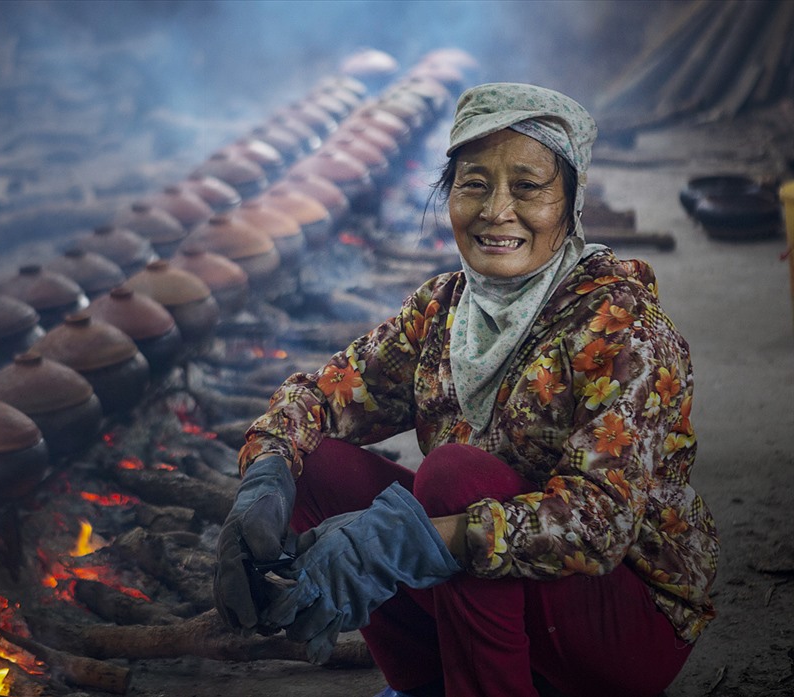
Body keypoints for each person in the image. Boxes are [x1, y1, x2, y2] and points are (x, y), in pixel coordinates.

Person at [214, 83, 719, 697]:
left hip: (617, 623)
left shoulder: (623, 329)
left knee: (452, 479)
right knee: (314, 467)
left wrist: (406, 540)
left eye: (528, 187)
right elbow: (323, 398)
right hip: (504, 609)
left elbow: (599, 524)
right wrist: (267, 473)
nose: (495, 211)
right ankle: (430, 683)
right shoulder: (444, 309)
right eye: (474, 183)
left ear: (571, 202)